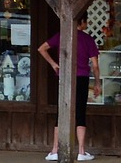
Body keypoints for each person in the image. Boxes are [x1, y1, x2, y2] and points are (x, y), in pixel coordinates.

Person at [38, 24, 98, 161]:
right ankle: (81, 151)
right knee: (80, 111)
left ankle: (55, 150)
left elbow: (42, 49)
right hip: (82, 77)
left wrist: (54, 64)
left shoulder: (61, 36)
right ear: (82, 22)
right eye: (86, 22)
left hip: (64, 76)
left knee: (61, 112)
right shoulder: (88, 39)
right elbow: (95, 65)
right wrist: (98, 83)